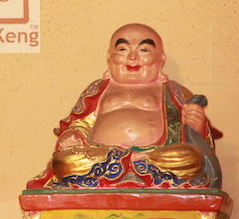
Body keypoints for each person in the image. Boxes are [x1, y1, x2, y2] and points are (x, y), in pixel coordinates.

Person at [27, 23, 222, 189]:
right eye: (122, 50)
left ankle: (137, 161)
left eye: (144, 50)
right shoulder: (98, 89)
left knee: (189, 158)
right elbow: (82, 123)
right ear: (109, 57)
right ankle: (127, 163)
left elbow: (197, 140)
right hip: (103, 158)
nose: (132, 58)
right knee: (64, 162)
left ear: (160, 58)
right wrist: (73, 136)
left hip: (154, 158)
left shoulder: (174, 91)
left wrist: (197, 126)